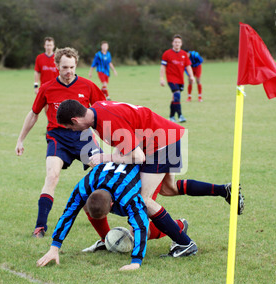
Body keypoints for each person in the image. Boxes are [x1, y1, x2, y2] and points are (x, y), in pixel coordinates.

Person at [57, 99, 245, 257]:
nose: (72, 131)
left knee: (143, 201)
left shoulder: (108, 122)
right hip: (164, 137)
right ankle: (223, 190)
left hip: (159, 145)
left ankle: (185, 243)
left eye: (70, 127)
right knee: (168, 189)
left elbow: (138, 157)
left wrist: (104, 158)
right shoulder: (97, 110)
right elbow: (126, 134)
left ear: (75, 119)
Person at [15, 47, 106, 239]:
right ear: (56, 66)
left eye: (72, 67)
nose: (69, 71)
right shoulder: (47, 88)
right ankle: (40, 227)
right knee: (52, 175)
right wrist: (20, 139)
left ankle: (94, 212)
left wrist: (106, 138)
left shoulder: (88, 86)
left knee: (102, 174)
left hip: (83, 135)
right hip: (58, 136)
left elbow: (103, 111)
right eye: (64, 67)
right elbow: (34, 114)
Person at [36, 162, 149, 271]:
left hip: (149, 165)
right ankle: (105, 241)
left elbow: (141, 226)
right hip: (118, 167)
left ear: (111, 205)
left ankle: (166, 235)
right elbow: (68, 214)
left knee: (151, 207)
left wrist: (136, 262)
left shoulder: (127, 195)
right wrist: (54, 248)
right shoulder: (83, 187)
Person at [160, 34, 194, 123]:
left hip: (180, 80)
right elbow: (163, 67)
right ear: (172, 43)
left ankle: (171, 117)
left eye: (179, 42)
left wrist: (191, 76)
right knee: (177, 95)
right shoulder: (167, 54)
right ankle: (180, 115)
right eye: (175, 42)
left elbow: (188, 66)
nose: (177, 44)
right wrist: (162, 78)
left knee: (175, 98)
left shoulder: (184, 54)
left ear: (181, 43)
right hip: (171, 79)